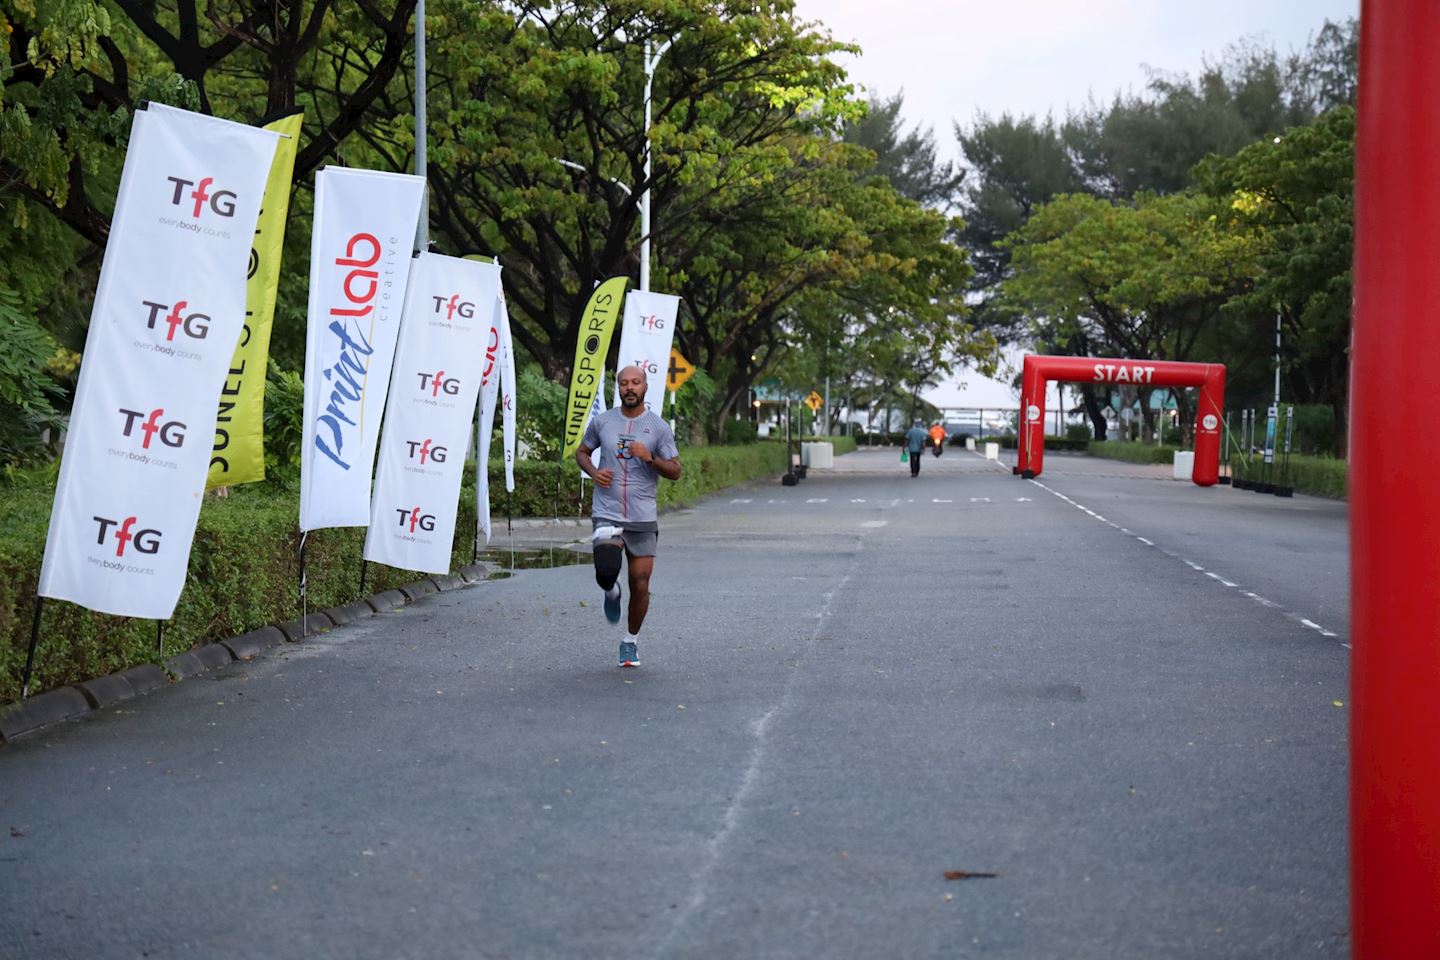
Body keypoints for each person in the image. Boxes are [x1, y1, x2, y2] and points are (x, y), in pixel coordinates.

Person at [576, 365, 682, 667]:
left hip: (642, 515)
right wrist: (595, 473)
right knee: (606, 571)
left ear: (645, 387)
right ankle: (611, 591)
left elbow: (675, 470)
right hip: (607, 511)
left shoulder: (659, 427)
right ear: (618, 388)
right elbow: (582, 453)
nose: (630, 388)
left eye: (636, 383)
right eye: (624, 383)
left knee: (641, 582)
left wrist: (649, 457)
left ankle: (630, 642)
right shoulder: (603, 422)